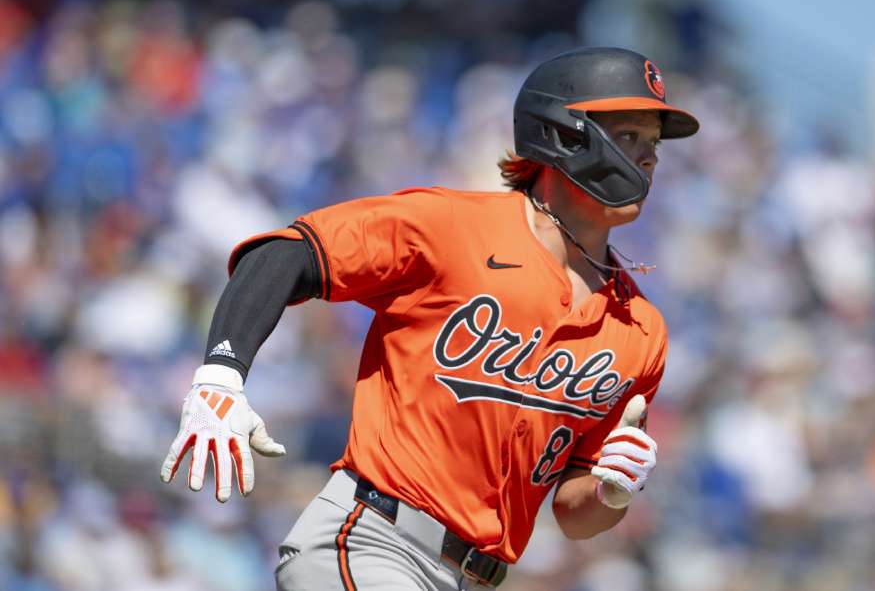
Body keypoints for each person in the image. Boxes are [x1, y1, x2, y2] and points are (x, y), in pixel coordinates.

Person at [159, 47, 700, 590]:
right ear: (564, 133)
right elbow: (287, 254)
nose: (648, 157)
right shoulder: (450, 228)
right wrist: (221, 372)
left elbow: (574, 510)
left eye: (652, 144)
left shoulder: (640, 329)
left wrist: (612, 492)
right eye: (629, 136)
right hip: (375, 539)